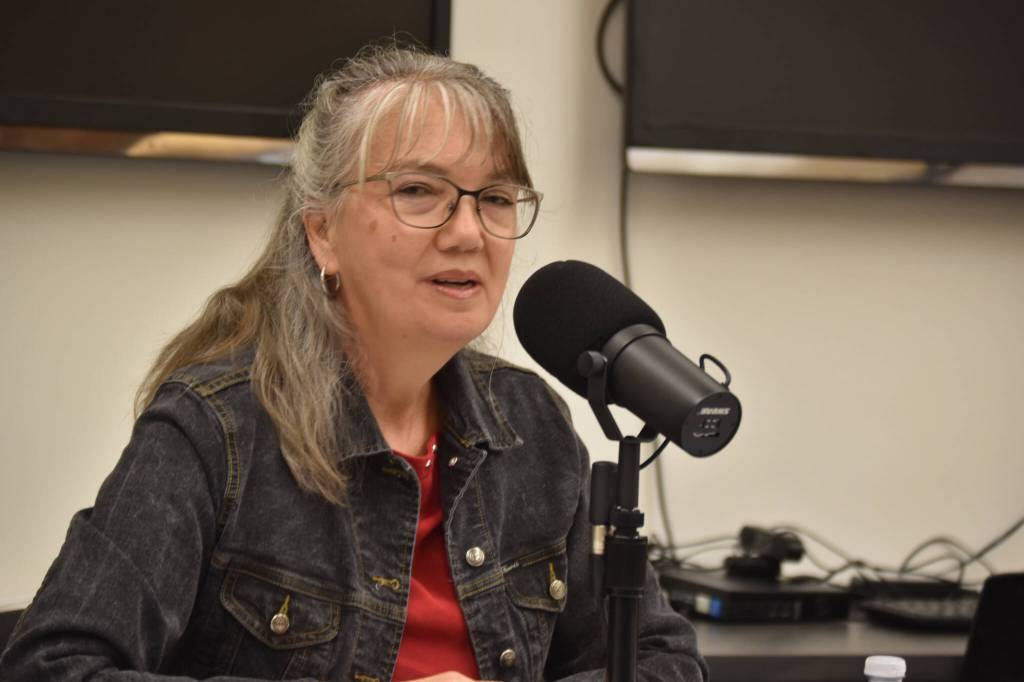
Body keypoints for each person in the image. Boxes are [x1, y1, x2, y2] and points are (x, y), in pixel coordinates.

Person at [0, 45, 708, 681]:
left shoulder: (535, 428)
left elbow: (662, 659)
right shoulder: (213, 430)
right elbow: (52, 667)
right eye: (418, 191)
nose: (468, 231)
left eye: (493, 198)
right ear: (322, 233)